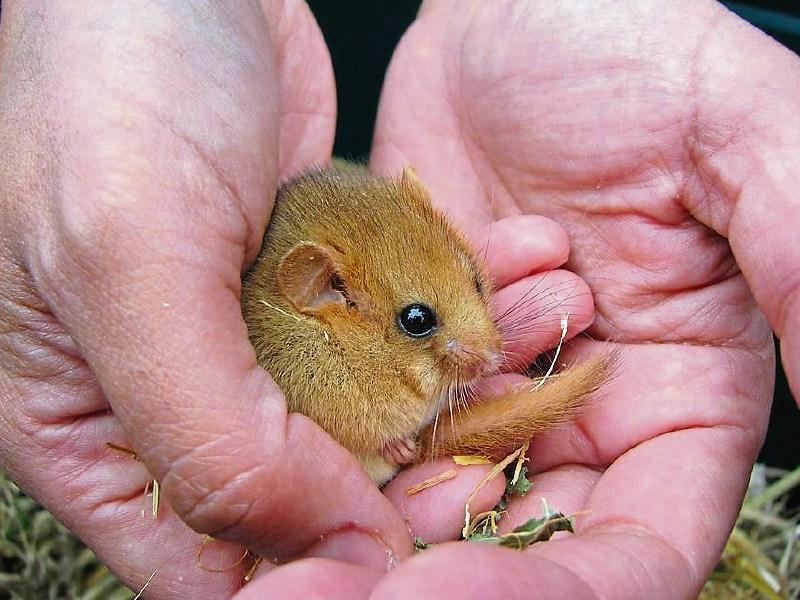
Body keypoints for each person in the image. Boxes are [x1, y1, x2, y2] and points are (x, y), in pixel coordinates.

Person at [0, 1, 797, 598]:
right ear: (324, 290)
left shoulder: (385, 254)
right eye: (422, 323)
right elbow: (346, 419)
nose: (481, 343)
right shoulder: (302, 342)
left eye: (472, 287)